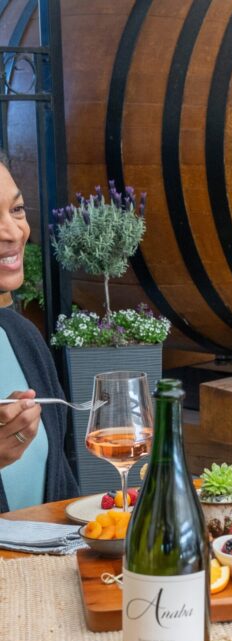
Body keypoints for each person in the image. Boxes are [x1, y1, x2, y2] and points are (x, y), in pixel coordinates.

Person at [0, 154, 78, 512]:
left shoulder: (23, 336)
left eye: (16, 210)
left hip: (40, 568)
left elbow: (62, 483)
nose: (14, 232)